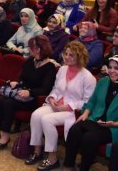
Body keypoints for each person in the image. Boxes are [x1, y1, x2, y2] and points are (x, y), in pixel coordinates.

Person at [63, 55, 118, 171]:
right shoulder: (103, 81)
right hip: (95, 119)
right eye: (110, 67)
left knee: (89, 138)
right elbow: (92, 101)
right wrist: (85, 113)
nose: (111, 71)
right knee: (74, 130)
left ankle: (84, 168)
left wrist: (116, 123)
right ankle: (68, 166)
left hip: (114, 126)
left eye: (116, 68)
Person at [26, 41, 96, 170]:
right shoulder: (63, 69)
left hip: (72, 112)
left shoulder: (88, 77)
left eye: (71, 55)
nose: (67, 57)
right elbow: (56, 89)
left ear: (79, 57)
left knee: (47, 120)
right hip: (56, 105)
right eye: (66, 54)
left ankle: (52, 158)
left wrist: (68, 106)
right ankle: (37, 151)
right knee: (36, 115)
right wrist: (52, 98)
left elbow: (88, 102)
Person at [0, 36, 60, 149]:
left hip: (34, 99)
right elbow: (22, 77)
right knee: (1, 100)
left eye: (31, 47)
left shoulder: (50, 67)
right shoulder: (30, 61)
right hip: (20, 94)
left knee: (8, 103)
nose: (29, 49)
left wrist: (30, 92)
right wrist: (17, 82)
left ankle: (5, 135)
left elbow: (46, 89)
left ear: (38, 49)